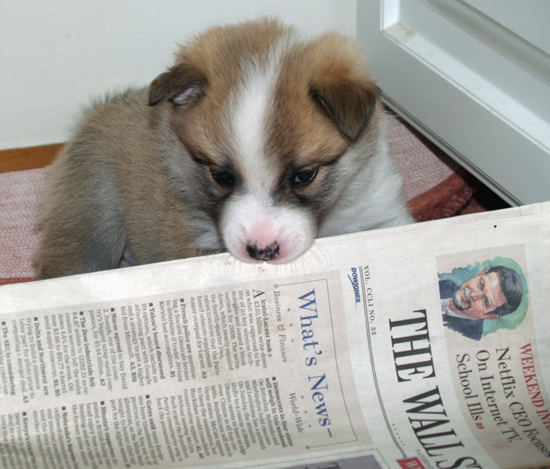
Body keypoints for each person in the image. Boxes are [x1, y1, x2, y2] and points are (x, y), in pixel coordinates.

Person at [440, 265, 523, 340]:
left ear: (490, 316)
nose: (473, 295)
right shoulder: (444, 284)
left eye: (485, 301)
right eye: (481, 284)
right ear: (479, 274)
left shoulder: (466, 338)